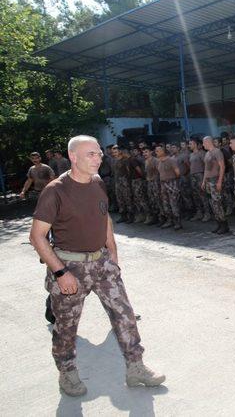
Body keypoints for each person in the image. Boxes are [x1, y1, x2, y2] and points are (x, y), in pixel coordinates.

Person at [29, 135, 164, 397]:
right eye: (90, 154)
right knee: (67, 326)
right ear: (73, 157)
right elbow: (36, 236)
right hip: (70, 266)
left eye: (99, 153)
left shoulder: (98, 182)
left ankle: (135, 368)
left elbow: (105, 219)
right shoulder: (55, 190)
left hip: (101, 263)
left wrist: (112, 253)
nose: (98, 158)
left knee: (124, 315)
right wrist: (60, 272)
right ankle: (67, 374)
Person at [202, 136, 229, 234]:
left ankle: (224, 225)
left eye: (204, 142)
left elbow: (222, 166)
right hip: (209, 181)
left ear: (208, 142)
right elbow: (206, 169)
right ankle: (218, 223)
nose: (203, 144)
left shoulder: (217, 152)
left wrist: (220, 181)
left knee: (217, 203)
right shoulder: (207, 154)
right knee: (212, 203)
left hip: (215, 179)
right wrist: (204, 181)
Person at [156, 145, 182, 230]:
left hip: (171, 183)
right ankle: (170, 220)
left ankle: (178, 222)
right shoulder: (158, 162)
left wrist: (174, 183)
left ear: (163, 151)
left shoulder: (171, 160)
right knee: (165, 203)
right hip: (163, 184)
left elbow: (177, 172)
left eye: (158, 150)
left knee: (173, 203)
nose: (156, 152)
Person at [188, 138, 211, 222]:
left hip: (200, 175)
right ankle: (199, 212)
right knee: (195, 195)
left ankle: (207, 213)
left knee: (203, 195)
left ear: (195, 144)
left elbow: (206, 166)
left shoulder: (202, 153)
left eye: (191, 144)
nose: (189, 145)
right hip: (193, 176)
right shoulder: (191, 155)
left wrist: (205, 178)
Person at [112, 146, 134, 223]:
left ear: (120, 152)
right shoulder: (114, 160)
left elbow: (128, 171)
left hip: (125, 181)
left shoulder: (125, 160)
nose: (114, 154)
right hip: (117, 181)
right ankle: (123, 216)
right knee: (120, 199)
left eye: (116, 152)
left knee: (127, 198)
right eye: (113, 152)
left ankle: (131, 216)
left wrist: (127, 181)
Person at [129, 148, 149, 223]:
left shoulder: (135, 160)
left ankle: (148, 215)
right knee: (137, 199)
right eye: (133, 151)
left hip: (138, 180)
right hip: (135, 180)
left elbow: (139, 170)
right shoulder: (133, 159)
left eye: (134, 150)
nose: (133, 152)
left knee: (141, 198)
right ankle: (142, 215)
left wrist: (143, 177)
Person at [142, 148, 162, 225]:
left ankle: (162, 218)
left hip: (156, 182)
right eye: (143, 152)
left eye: (146, 152)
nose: (144, 154)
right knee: (152, 200)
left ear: (151, 152)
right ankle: (155, 217)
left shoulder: (155, 160)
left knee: (158, 200)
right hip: (149, 183)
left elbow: (160, 171)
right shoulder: (146, 161)